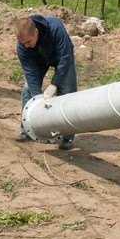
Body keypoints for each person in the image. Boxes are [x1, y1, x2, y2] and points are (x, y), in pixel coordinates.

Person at [15, 15, 77, 150]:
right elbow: (30, 73)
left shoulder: (55, 29)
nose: (26, 46)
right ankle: (26, 129)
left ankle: (67, 137)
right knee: (27, 89)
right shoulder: (22, 46)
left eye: (28, 42)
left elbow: (65, 58)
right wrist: (37, 99)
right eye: (23, 43)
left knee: (67, 92)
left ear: (36, 32)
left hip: (61, 58)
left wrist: (54, 84)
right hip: (38, 60)